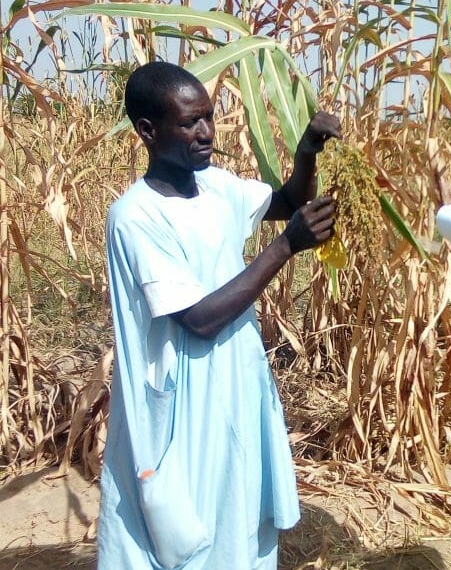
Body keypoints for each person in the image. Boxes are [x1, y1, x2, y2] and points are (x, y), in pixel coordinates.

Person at [97, 61, 341, 570]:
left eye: (209, 117)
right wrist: (285, 247)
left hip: (234, 379)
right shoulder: (136, 215)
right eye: (190, 123)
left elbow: (289, 200)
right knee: (185, 532)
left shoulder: (216, 187)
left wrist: (306, 152)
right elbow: (200, 319)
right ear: (147, 131)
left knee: (238, 515)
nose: (206, 132)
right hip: (183, 399)